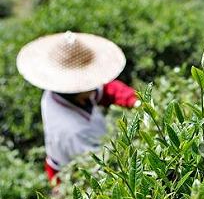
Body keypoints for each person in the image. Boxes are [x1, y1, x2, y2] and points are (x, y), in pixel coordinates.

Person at [16, 31, 140, 185]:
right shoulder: (71, 131)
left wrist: (135, 101)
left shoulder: (61, 93)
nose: (95, 83)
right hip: (71, 176)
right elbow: (98, 169)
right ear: (77, 88)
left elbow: (108, 90)